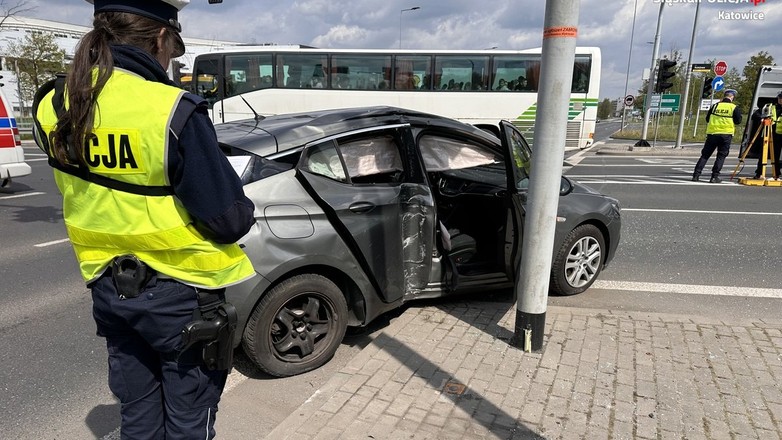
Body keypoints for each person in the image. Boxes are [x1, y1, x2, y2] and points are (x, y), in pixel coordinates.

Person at [31, 1, 255, 438]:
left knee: (137, 415)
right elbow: (229, 220)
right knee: (189, 419)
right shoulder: (172, 109)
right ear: (161, 38)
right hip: (182, 294)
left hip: (108, 285)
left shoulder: (53, 102)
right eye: (174, 47)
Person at [691, 89, 742, 183]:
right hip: (726, 135)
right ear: (732, 97)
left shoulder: (715, 106)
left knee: (705, 155)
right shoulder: (734, 107)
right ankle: (714, 177)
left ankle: (696, 175)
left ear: (724, 96)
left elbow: (707, 119)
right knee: (721, 156)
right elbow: (738, 121)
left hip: (712, 134)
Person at [753, 91, 782, 179]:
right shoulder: (770, 107)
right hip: (769, 134)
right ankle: (759, 173)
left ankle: (776, 173)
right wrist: (762, 118)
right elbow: (756, 114)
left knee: (776, 156)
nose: (780, 100)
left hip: (780, 135)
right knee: (763, 154)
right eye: (780, 98)